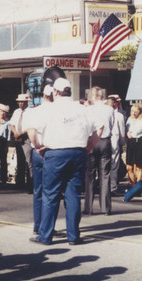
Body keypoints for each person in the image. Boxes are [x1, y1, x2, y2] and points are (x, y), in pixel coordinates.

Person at [28, 78, 100, 246]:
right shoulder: (81, 108)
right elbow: (98, 128)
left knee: (50, 194)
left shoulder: (50, 109)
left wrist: (38, 146)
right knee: (73, 193)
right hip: (78, 152)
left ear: (55, 92)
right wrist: (89, 146)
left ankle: (45, 235)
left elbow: (31, 130)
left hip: (56, 152)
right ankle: (73, 235)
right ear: (69, 91)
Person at [25, 85, 54, 235]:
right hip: (51, 150)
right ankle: (47, 226)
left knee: (39, 191)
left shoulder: (34, 112)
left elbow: (31, 131)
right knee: (51, 192)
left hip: (38, 151)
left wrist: (37, 146)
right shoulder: (56, 111)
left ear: (43, 95)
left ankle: (38, 225)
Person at [83, 86, 114, 216]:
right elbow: (111, 124)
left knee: (89, 174)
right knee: (105, 174)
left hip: (92, 140)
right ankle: (105, 208)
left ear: (94, 97)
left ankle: (88, 207)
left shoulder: (88, 110)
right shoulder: (110, 109)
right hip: (105, 140)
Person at [10, 94, 33, 191]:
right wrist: (15, 133)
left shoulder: (31, 111)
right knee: (20, 161)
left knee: (29, 161)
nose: (20, 103)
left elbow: (32, 126)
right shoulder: (16, 112)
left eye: (22, 102)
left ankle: (31, 184)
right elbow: (12, 124)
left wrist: (21, 133)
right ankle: (20, 183)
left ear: (27, 102)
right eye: (19, 102)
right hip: (18, 138)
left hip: (27, 137)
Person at [106, 95, 125, 195]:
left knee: (104, 165)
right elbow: (122, 132)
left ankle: (103, 186)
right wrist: (121, 143)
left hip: (104, 141)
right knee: (114, 164)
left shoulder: (103, 114)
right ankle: (112, 187)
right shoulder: (119, 116)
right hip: (114, 141)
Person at [125, 104, 142, 187]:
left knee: (139, 166)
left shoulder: (141, 120)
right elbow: (126, 129)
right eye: (132, 111)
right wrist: (127, 133)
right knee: (129, 167)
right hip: (130, 142)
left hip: (139, 142)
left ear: (139, 112)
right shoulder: (129, 119)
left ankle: (138, 186)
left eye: (135, 111)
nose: (133, 113)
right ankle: (133, 185)